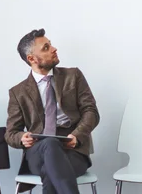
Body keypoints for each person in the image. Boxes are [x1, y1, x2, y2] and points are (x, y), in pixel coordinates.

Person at [5, 28, 100, 194]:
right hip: (37, 152)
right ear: (31, 58)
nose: (54, 49)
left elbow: (91, 111)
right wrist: (22, 138)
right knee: (49, 143)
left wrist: (77, 136)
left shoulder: (73, 76)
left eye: (51, 45)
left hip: (73, 150)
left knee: (51, 172)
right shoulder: (18, 92)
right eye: (46, 48)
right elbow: (11, 133)